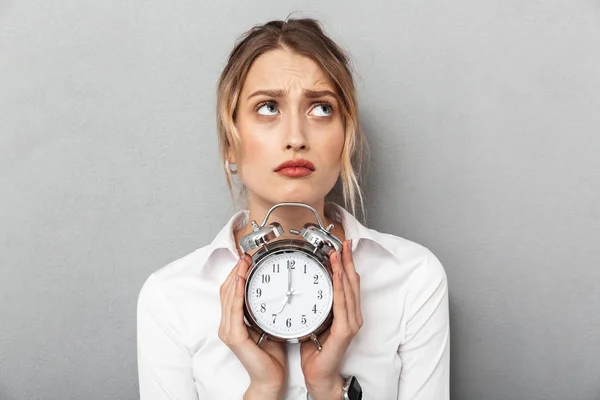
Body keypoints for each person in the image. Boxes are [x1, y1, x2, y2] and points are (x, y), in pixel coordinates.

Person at [137, 17, 450, 400]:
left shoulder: (412, 278)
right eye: (268, 107)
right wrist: (263, 389)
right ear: (230, 145)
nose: (296, 138)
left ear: (345, 140)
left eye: (321, 109)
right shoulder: (171, 297)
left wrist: (328, 388)